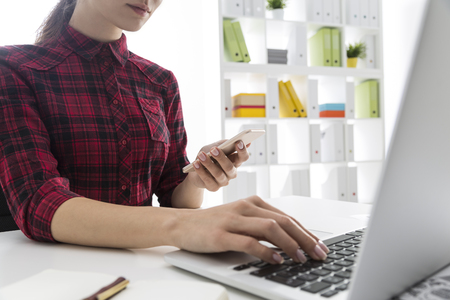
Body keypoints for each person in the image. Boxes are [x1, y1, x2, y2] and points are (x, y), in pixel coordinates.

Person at [0, 0, 329, 265]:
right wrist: (181, 226)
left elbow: (174, 194)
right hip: (56, 272)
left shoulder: (159, 81)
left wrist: (197, 179)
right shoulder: (14, 67)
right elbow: (39, 203)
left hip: (151, 267)